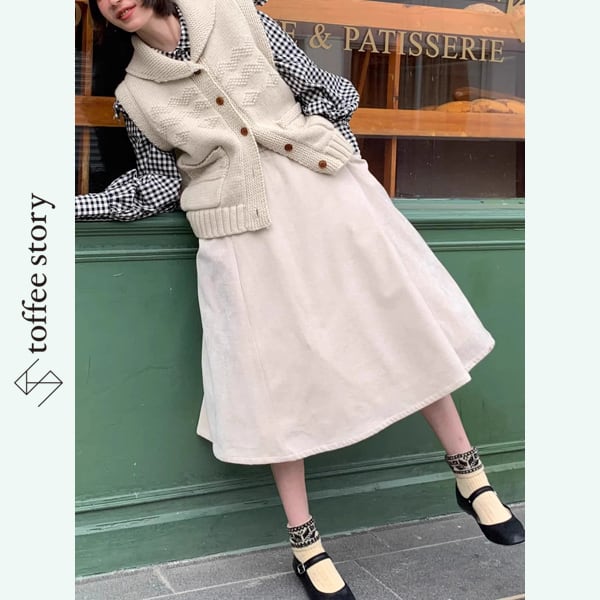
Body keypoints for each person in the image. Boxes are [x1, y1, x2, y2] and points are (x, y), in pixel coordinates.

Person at [76, 1, 525, 598]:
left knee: (398, 321)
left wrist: (334, 156)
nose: (116, 0)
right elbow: (156, 181)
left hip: (324, 197)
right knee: (274, 378)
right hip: (241, 234)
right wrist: (63, 207)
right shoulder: (134, 93)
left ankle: (471, 476)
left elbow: (323, 88)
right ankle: (305, 542)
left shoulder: (234, 13)